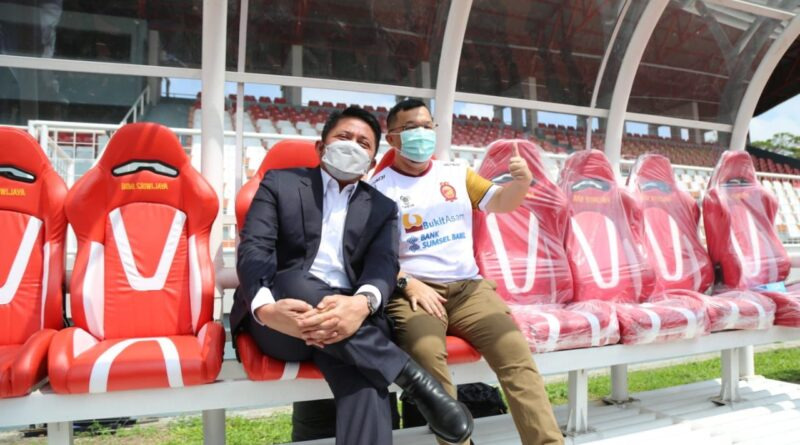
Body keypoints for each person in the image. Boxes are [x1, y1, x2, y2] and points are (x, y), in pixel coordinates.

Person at [231, 106, 473, 445]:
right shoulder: (280, 184)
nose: (352, 146)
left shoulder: (383, 207)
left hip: (353, 322)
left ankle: (394, 370)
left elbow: (383, 264)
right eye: (344, 137)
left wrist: (361, 304)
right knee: (293, 280)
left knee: (366, 379)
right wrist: (265, 308)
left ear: (372, 162)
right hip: (281, 318)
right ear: (321, 147)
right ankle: (414, 379)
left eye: (363, 143)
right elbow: (255, 249)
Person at [369, 99, 564, 445]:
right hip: (415, 292)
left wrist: (521, 183)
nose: (421, 134)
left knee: (516, 357)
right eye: (411, 128)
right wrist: (407, 283)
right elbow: (372, 254)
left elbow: (500, 202)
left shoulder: (455, 173)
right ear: (392, 138)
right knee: (428, 358)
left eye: (427, 126)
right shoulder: (377, 188)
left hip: (470, 290)